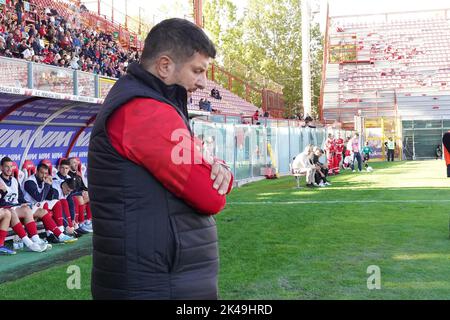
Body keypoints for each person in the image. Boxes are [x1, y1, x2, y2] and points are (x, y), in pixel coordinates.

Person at [88, 18, 234, 300]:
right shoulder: (146, 111)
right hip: (156, 283)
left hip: (156, 279)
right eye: (197, 71)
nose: (203, 83)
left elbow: (206, 168)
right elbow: (210, 197)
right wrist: (215, 172)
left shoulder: (148, 103)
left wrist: (220, 168)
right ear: (165, 66)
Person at [23, 162, 77, 243]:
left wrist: (50, 185)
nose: (44, 175)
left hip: (36, 206)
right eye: (42, 173)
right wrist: (47, 185)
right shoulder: (29, 182)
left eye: (46, 173)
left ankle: (61, 231)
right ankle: (50, 234)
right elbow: (39, 198)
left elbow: (51, 196)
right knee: (45, 205)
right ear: (36, 172)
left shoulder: (44, 180)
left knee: (56, 202)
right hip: (27, 207)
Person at [67, 157, 92, 233]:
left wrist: (87, 191)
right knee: (80, 198)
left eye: (76, 162)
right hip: (71, 197)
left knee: (92, 195)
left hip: (80, 196)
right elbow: (70, 191)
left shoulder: (78, 174)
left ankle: (88, 221)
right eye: (74, 162)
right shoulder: (68, 176)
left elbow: (83, 187)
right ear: (69, 164)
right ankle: (81, 223)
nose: (76, 164)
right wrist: (81, 193)